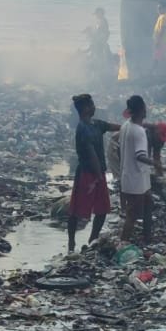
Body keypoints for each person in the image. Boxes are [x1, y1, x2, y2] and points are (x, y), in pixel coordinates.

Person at [67, 94, 120, 252]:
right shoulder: (83, 129)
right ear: (84, 108)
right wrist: (97, 177)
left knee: (102, 209)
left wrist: (131, 126)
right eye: (91, 105)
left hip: (99, 173)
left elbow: (112, 126)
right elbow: (92, 155)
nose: (94, 107)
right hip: (87, 174)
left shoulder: (96, 124)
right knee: (76, 211)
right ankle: (71, 243)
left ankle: (92, 239)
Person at [120, 95, 154, 245]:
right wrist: (157, 164)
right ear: (141, 110)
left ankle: (147, 238)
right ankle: (123, 243)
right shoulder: (138, 131)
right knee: (132, 215)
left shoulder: (126, 125)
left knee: (148, 203)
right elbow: (140, 156)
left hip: (131, 176)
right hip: (136, 179)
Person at [152, 2, 166, 67]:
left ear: (164, 9)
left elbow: (162, 29)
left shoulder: (163, 17)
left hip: (161, 41)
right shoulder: (161, 17)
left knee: (158, 57)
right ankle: (160, 70)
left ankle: (156, 70)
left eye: (160, 8)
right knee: (160, 56)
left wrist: (158, 41)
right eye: (158, 8)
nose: (158, 10)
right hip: (161, 41)